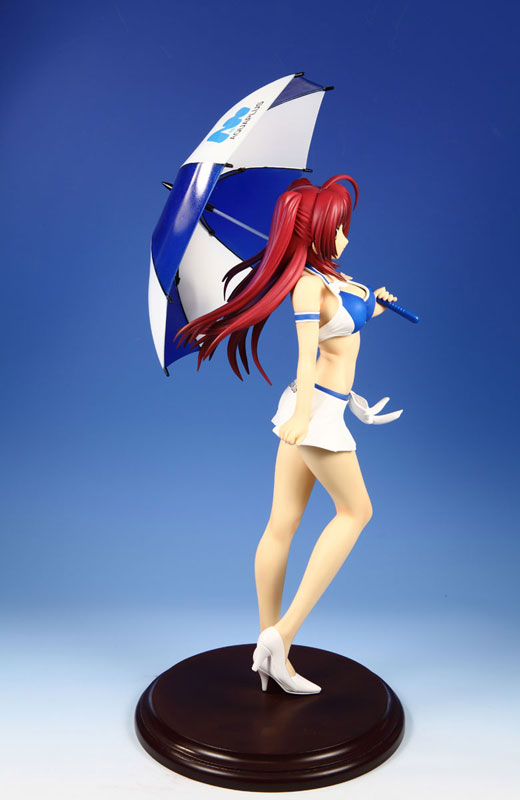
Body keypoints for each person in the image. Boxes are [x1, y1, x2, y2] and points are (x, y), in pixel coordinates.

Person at [174, 174, 402, 695]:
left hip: (322, 404)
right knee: (356, 512)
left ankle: (269, 652)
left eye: (344, 225)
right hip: (315, 409)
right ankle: (281, 634)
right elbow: (305, 354)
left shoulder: (334, 278)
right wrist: (303, 417)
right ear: (315, 231)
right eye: (336, 227)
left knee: (282, 523)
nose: (344, 235)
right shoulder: (307, 286)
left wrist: (375, 305)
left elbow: (347, 329)